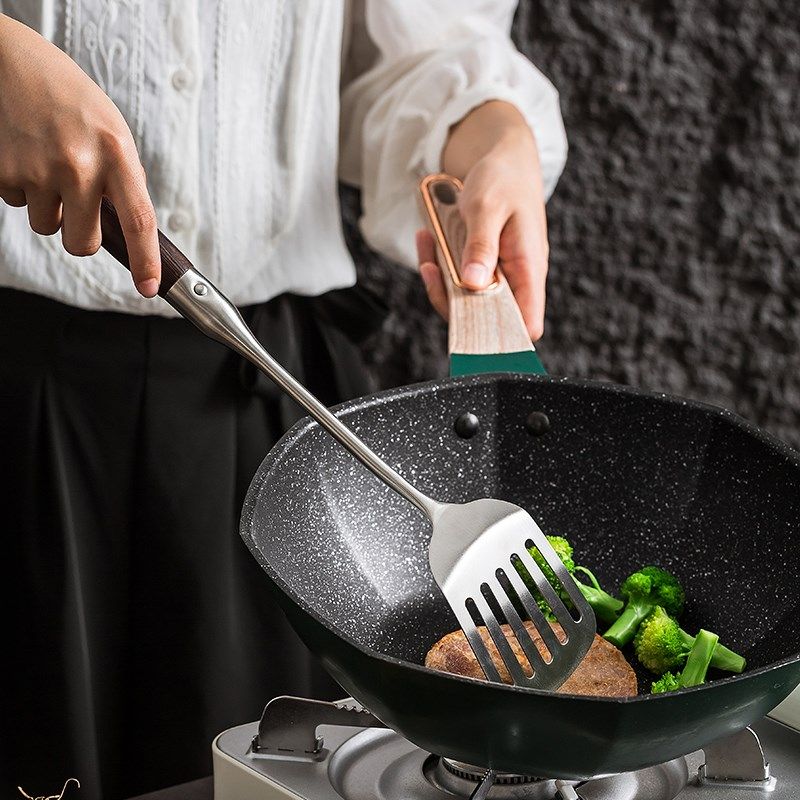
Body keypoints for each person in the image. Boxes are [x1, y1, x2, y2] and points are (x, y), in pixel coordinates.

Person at [0, 2, 567, 798]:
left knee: (260, 764)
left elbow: (404, 52)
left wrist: (484, 129)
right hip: (17, 398)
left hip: (266, 417)